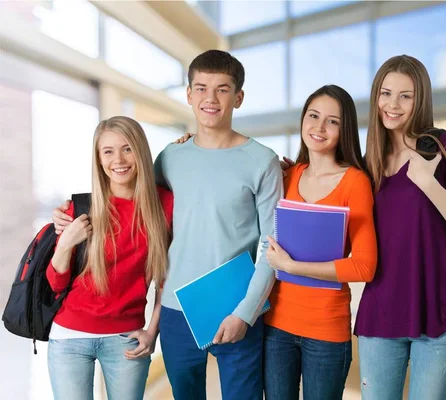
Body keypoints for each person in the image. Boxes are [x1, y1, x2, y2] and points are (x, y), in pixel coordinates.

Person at [52, 50, 283, 400]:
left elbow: (272, 244)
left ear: (238, 97)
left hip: (236, 303)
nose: (210, 98)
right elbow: (128, 190)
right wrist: (68, 217)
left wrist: (246, 312)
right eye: (201, 88)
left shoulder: (262, 161)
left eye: (222, 89)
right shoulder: (171, 157)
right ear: (189, 95)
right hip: (176, 312)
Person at [354, 55, 446, 400]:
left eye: (405, 96)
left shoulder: (444, 147)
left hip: (439, 315)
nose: (392, 105)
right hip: (381, 313)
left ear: (421, 100)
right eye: (385, 93)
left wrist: (429, 184)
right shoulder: (368, 161)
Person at [262, 85, 377, 400]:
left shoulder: (355, 182)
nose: (319, 127)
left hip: (326, 331)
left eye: (333, 121)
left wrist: (292, 266)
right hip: (276, 326)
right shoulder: (286, 176)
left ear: (345, 130)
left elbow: (364, 266)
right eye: (313, 116)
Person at [46, 116, 173, 400]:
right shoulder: (79, 209)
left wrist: (153, 331)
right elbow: (55, 283)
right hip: (69, 337)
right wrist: (65, 243)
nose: (119, 159)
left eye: (127, 148)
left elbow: (168, 279)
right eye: (108, 151)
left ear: (140, 152)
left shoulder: (164, 205)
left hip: (126, 339)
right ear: (99, 159)